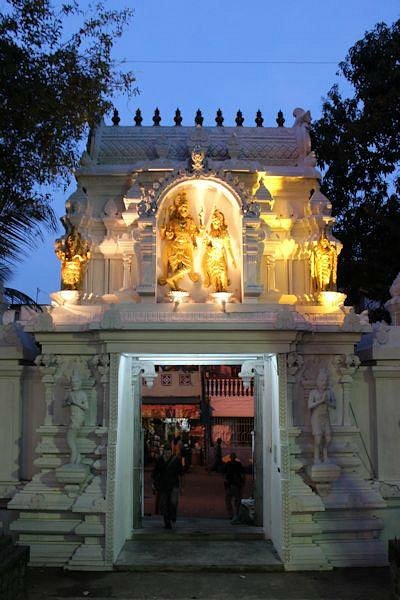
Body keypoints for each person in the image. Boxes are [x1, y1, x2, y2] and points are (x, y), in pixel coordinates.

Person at [158, 192, 200, 291]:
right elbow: (165, 236)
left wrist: (194, 242)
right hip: (174, 248)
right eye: (181, 208)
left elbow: (195, 233)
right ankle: (174, 287)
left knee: (188, 267)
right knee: (175, 268)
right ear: (178, 209)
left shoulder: (190, 222)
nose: (183, 210)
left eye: (185, 208)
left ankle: (170, 279)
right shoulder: (173, 222)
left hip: (186, 247)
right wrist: (163, 230)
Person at [202, 208, 236, 293]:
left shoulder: (224, 234)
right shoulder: (211, 234)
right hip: (212, 258)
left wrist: (233, 259)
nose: (215, 223)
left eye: (217, 221)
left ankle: (224, 289)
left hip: (220, 257)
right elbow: (206, 245)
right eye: (214, 222)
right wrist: (205, 242)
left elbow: (228, 247)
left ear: (220, 222)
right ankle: (215, 290)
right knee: (214, 276)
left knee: (223, 273)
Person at [151, 444, 184, 529]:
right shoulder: (160, 460)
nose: (167, 454)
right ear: (164, 452)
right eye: (166, 452)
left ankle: (173, 515)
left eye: (169, 452)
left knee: (173, 502)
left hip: (174, 485)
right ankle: (167, 522)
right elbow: (155, 473)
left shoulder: (176, 460)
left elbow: (181, 474)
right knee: (164, 504)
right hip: (163, 485)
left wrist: (182, 486)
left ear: (171, 452)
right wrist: (154, 484)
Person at [308, 369, 336, 464]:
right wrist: (321, 401)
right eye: (322, 380)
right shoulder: (313, 393)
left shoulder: (329, 392)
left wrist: (327, 401)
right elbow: (310, 406)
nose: (324, 383)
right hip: (316, 418)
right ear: (317, 381)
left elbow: (334, 405)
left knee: (328, 439)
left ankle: (325, 454)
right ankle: (316, 457)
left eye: (325, 381)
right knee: (318, 439)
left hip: (325, 417)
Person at [64, 374, 88, 464]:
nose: (74, 384)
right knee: (71, 439)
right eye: (73, 382)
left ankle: (74, 457)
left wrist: (76, 403)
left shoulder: (82, 394)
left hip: (78, 418)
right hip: (72, 417)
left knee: (70, 439)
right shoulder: (71, 393)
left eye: (76, 382)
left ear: (80, 383)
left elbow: (86, 407)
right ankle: (77, 458)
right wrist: (68, 401)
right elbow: (64, 404)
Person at [224, 453, 245, 520]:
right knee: (237, 500)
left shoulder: (228, 464)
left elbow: (225, 474)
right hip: (236, 484)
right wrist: (242, 482)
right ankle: (236, 514)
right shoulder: (238, 464)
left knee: (228, 500)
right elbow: (242, 474)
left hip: (230, 484)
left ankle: (231, 514)